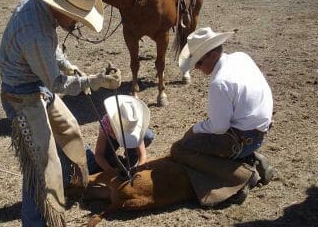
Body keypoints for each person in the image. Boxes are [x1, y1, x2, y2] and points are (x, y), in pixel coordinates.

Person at [0, 0, 122, 227]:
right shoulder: (36, 34)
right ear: (58, 7)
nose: (76, 25)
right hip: (22, 96)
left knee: (70, 131)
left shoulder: (39, 7)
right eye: (74, 19)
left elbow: (51, 54)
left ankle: (72, 183)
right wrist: (96, 81)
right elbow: (56, 82)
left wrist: (70, 65)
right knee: (40, 166)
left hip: (35, 84)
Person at [170, 27, 274, 206]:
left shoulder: (220, 83)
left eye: (199, 62)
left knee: (181, 149)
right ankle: (250, 159)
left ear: (212, 55)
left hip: (241, 139)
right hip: (259, 132)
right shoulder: (241, 57)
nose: (196, 67)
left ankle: (241, 178)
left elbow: (219, 127)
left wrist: (193, 130)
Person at [91, 95, 154, 173]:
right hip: (111, 138)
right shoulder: (106, 125)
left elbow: (142, 155)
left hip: (128, 136)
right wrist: (110, 170)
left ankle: (130, 160)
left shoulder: (134, 124)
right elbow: (99, 154)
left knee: (147, 136)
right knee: (98, 164)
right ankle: (114, 161)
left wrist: (139, 167)